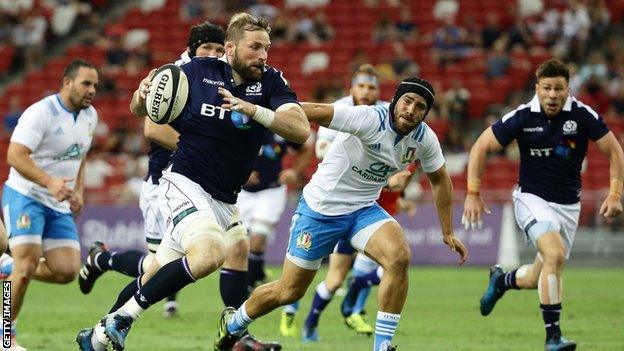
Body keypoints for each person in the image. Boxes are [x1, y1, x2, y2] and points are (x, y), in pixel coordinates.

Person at [75, 12, 309, 351]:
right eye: (254, 47)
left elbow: (300, 129)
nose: (263, 55)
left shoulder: (271, 81)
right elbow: (143, 113)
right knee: (211, 253)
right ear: (230, 49)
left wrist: (253, 109)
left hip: (224, 199)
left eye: (267, 48)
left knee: (155, 273)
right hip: (184, 183)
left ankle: (97, 337)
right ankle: (123, 321)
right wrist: (141, 97)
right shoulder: (197, 72)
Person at [214, 77, 468, 351]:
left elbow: (441, 180)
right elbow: (313, 110)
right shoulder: (368, 118)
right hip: (320, 210)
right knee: (289, 291)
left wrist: (447, 231)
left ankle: (382, 346)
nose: (411, 110)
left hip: (363, 210)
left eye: (420, 106)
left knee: (399, 257)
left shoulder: (424, 139)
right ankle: (232, 325)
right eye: (407, 101)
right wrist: (256, 110)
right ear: (396, 100)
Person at [463, 58, 624, 351]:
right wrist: (473, 192)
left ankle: (501, 282)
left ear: (567, 89)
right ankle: (553, 337)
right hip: (531, 199)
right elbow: (481, 147)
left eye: (558, 89)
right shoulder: (523, 116)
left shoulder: (582, 114)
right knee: (555, 254)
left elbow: (614, 150)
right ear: (537, 88)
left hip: (568, 207)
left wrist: (615, 193)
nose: (552, 95)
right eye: (546, 88)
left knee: (540, 274)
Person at [77, 20, 227, 318]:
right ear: (191, 49)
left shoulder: (220, 80)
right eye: (206, 47)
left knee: (165, 262)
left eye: (218, 49)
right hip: (163, 183)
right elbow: (152, 128)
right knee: (159, 265)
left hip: (194, 184)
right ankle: (104, 269)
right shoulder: (175, 74)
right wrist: (204, 150)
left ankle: (105, 281)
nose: (212, 53)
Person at [278, 64, 414, 341]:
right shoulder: (339, 109)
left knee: (387, 263)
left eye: (372, 87)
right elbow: (322, 150)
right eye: (362, 86)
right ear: (351, 88)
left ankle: (355, 312)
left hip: (367, 206)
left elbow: (411, 154)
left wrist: (402, 183)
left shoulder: (391, 114)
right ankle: (295, 311)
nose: (367, 91)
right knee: (321, 276)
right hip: (329, 203)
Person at [2, 59, 99, 351]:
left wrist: (78, 190)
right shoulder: (40, 113)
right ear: (67, 83)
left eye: (95, 84)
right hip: (26, 193)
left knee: (66, 271)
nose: (92, 90)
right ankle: (6, 333)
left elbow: (80, 155)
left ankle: (6, 262)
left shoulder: (90, 116)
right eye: (86, 83)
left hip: (58, 202)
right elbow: (15, 156)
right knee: (26, 266)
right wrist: (49, 182)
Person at [241, 130, 312, 291]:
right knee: (241, 243)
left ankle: (249, 286)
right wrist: (241, 171)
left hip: (271, 191)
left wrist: (294, 171)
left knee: (258, 237)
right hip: (241, 192)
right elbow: (223, 151)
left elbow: (305, 150)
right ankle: (258, 273)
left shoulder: (280, 128)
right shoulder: (241, 123)